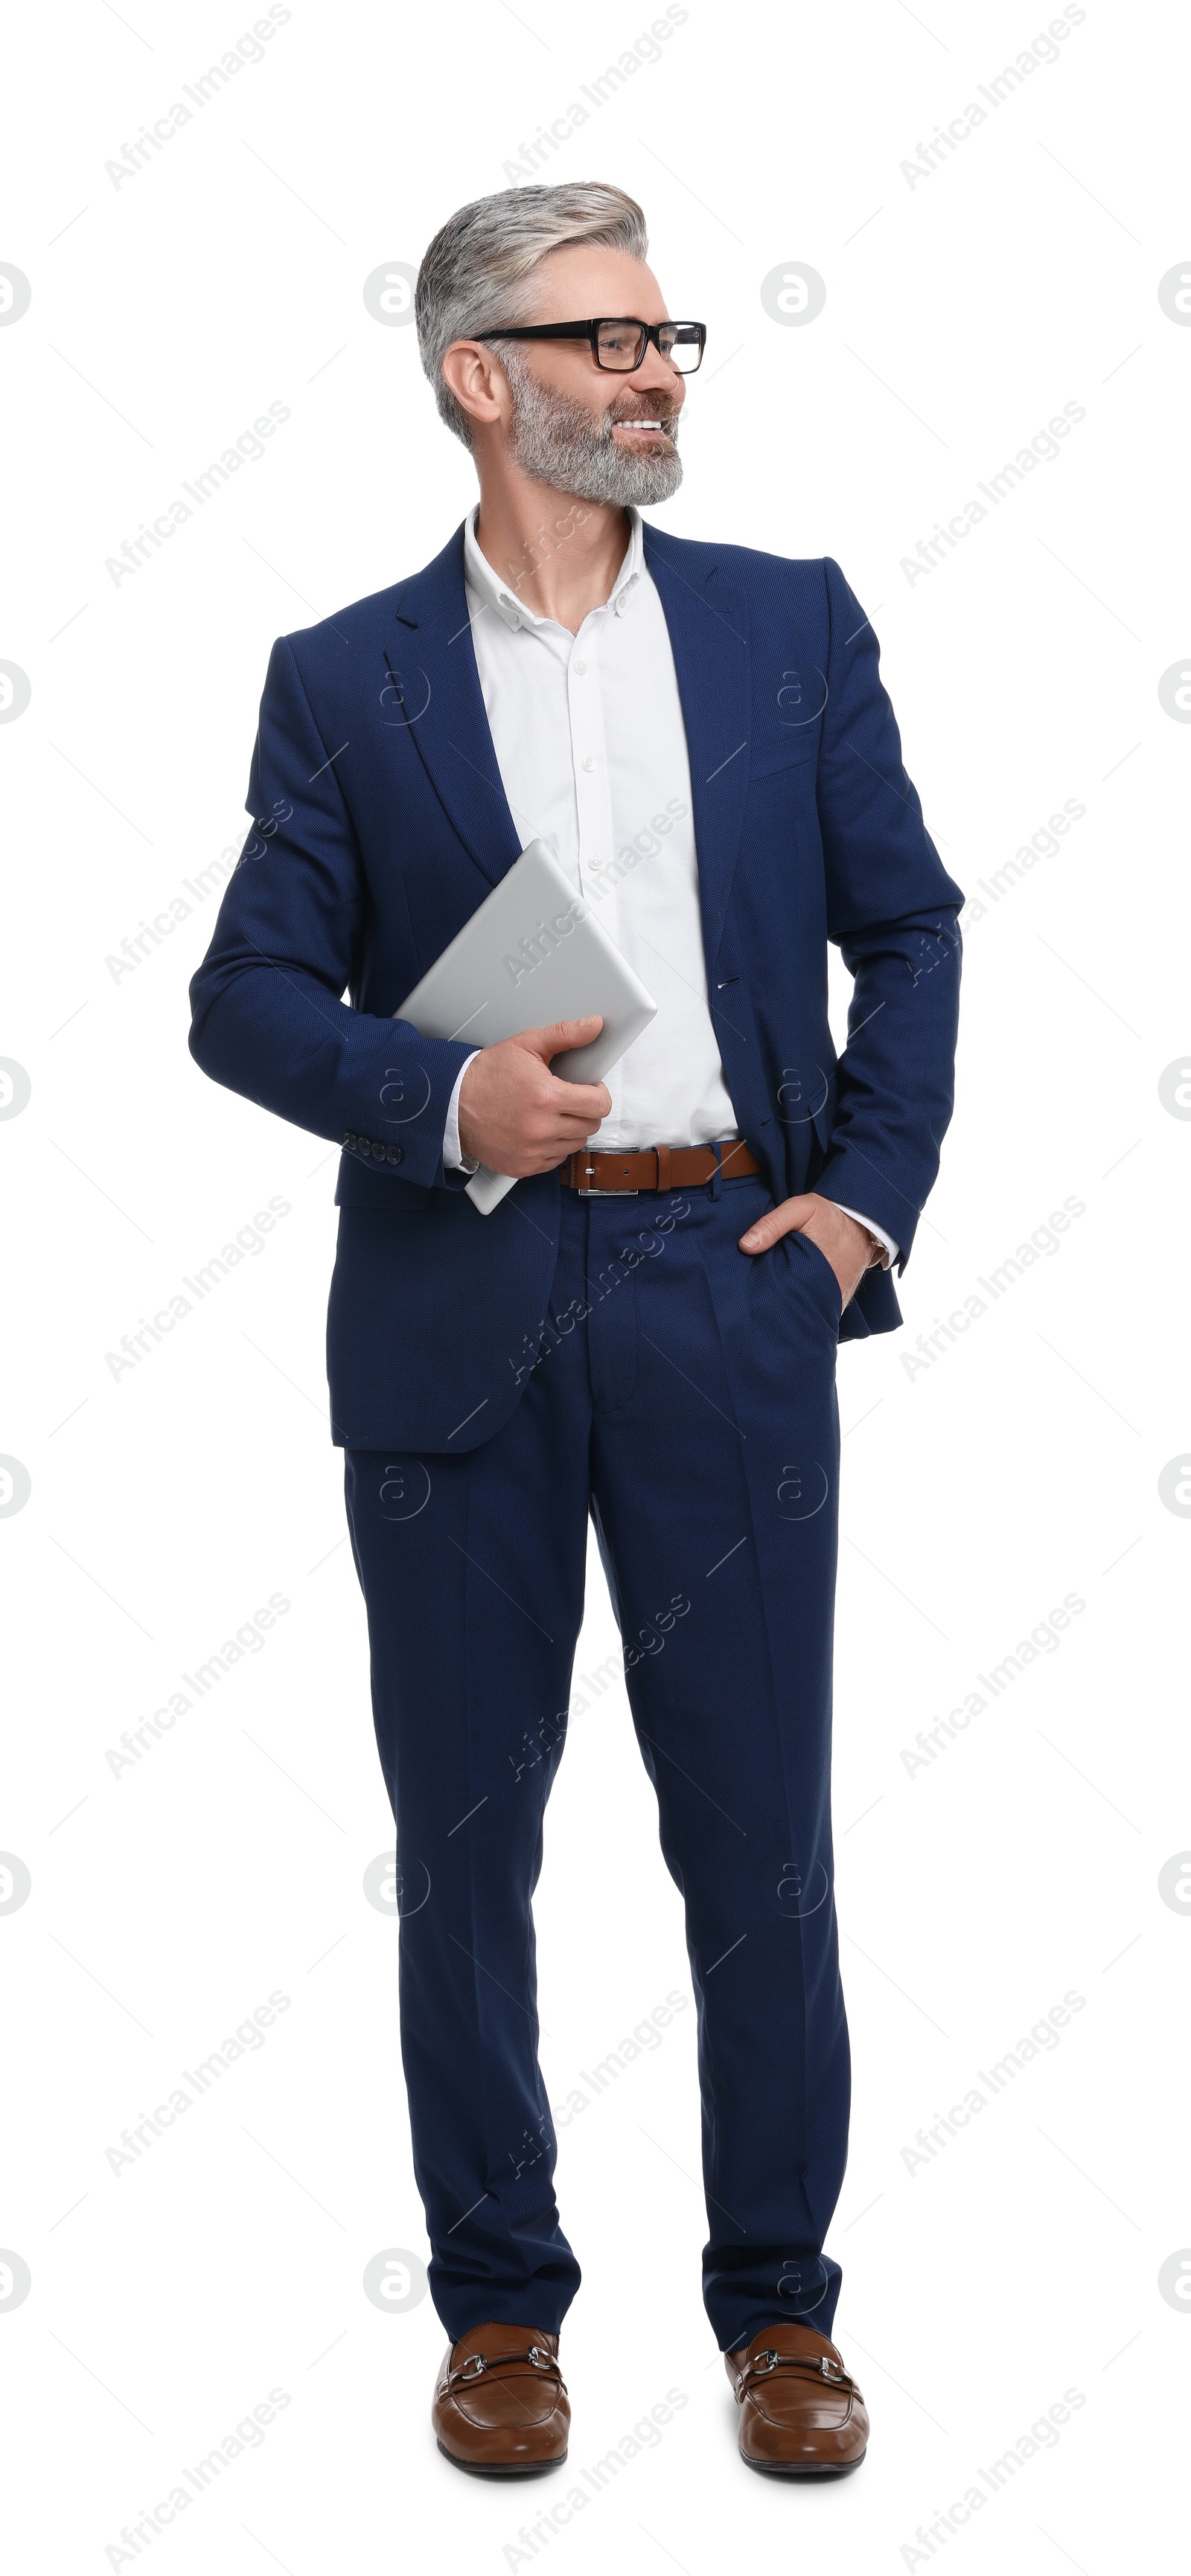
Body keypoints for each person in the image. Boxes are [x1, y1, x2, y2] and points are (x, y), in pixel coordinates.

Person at [188, 180, 962, 2480]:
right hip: (460, 1297)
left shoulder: (786, 629)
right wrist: (443, 1095)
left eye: (667, 336)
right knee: (466, 1836)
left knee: (759, 1834)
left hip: (731, 1287)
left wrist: (856, 1212)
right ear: (479, 378)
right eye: (608, 339)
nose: (656, 372)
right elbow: (240, 996)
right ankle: (500, 2309)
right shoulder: (347, 677)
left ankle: (781, 2313)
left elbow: (908, 931)